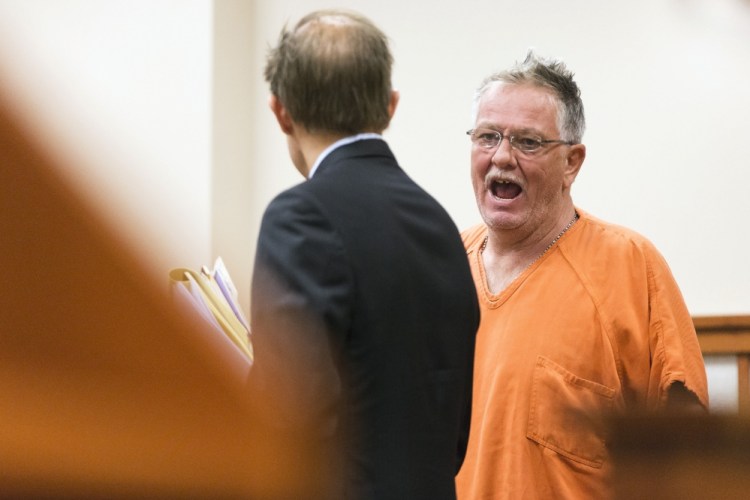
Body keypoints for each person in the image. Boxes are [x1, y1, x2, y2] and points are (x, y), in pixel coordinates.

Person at [455, 51, 709, 500]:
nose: (502, 157)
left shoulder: (631, 267)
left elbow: (686, 456)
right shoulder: (441, 266)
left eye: (528, 142)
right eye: (487, 136)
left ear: (572, 162)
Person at [248, 9, 480, 500]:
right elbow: (453, 430)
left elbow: (291, 416)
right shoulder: (440, 225)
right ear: (390, 106)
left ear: (280, 111)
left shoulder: (299, 216)